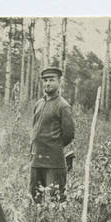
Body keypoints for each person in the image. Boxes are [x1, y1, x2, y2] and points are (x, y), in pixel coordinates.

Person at [30, 66, 75, 202]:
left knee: (56, 199)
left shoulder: (63, 106)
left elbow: (69, 134)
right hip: (36, 160)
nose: (47, 83)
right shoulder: (39, 103)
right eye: (45, 80)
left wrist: (53, 146)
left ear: (59, 82)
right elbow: (34, 129)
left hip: (53, 162)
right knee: (35, 197)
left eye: (51, 80)